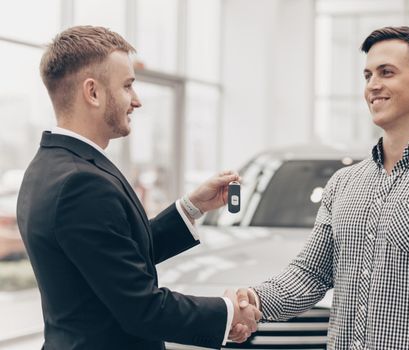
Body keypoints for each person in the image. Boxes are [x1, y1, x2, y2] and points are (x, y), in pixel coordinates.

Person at [234, 26, 409, 349]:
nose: (373, 86)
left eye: (386, 72)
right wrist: (253, 300)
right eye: (367, 75)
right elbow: (309, 275)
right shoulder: (343, 184)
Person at [16, 25, 260, 350]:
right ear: (93, 92)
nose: (137, 101)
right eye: (128, 86)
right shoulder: (81, 183)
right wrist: (227, 312)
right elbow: (140, 308)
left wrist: (191, 207)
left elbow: (115, 257)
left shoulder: (49, 165)